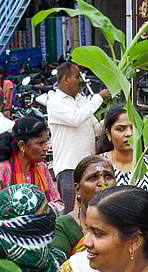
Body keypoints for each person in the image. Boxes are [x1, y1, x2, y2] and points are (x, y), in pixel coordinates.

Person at [48, 62, 111, 212]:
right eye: (77, 77)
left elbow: (95, 129)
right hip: (69, 168)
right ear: (65, 80)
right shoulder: (55, 102)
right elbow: (75, 119)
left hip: (89, 166)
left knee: (94, 211)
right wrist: (99, 98)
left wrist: (112, 119)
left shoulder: (82, 100)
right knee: (72, 215)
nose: (81, 81)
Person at [0, 116, 61, 210]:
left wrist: (44, 211)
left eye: (46, 142)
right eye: (40, 143)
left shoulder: (42, 167)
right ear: (22, 145)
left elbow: (56, 201)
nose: (46, 148)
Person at [99, 104, 148, 202]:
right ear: (109, 134)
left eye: (133, 128)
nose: (129, 134)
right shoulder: (98, 165)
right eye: (120, 129)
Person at [52, 155, 116, 256]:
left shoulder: (125, 222)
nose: (103, 183)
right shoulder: (63, 226)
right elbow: (58, 267)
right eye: (93, 178)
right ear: (78, 190)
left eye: (108, 176)